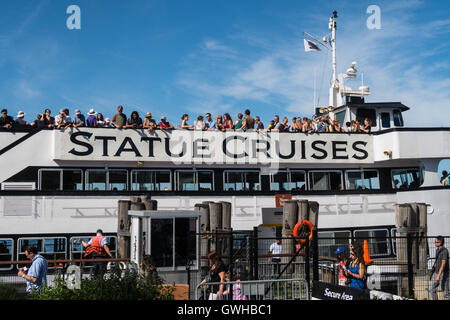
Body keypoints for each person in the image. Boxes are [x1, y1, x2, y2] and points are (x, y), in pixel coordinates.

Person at [431, 236, 449, 300]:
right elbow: (437, 260)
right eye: (435, 242)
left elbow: (443, 264)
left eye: (436, 242)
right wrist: (434, 266)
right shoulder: (437, 250)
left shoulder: (445, 251)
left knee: (445, 291)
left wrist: (438, 276)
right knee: (432, 289)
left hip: (443, 273)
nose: (435, 243)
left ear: (441, 242)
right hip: (436, 272)